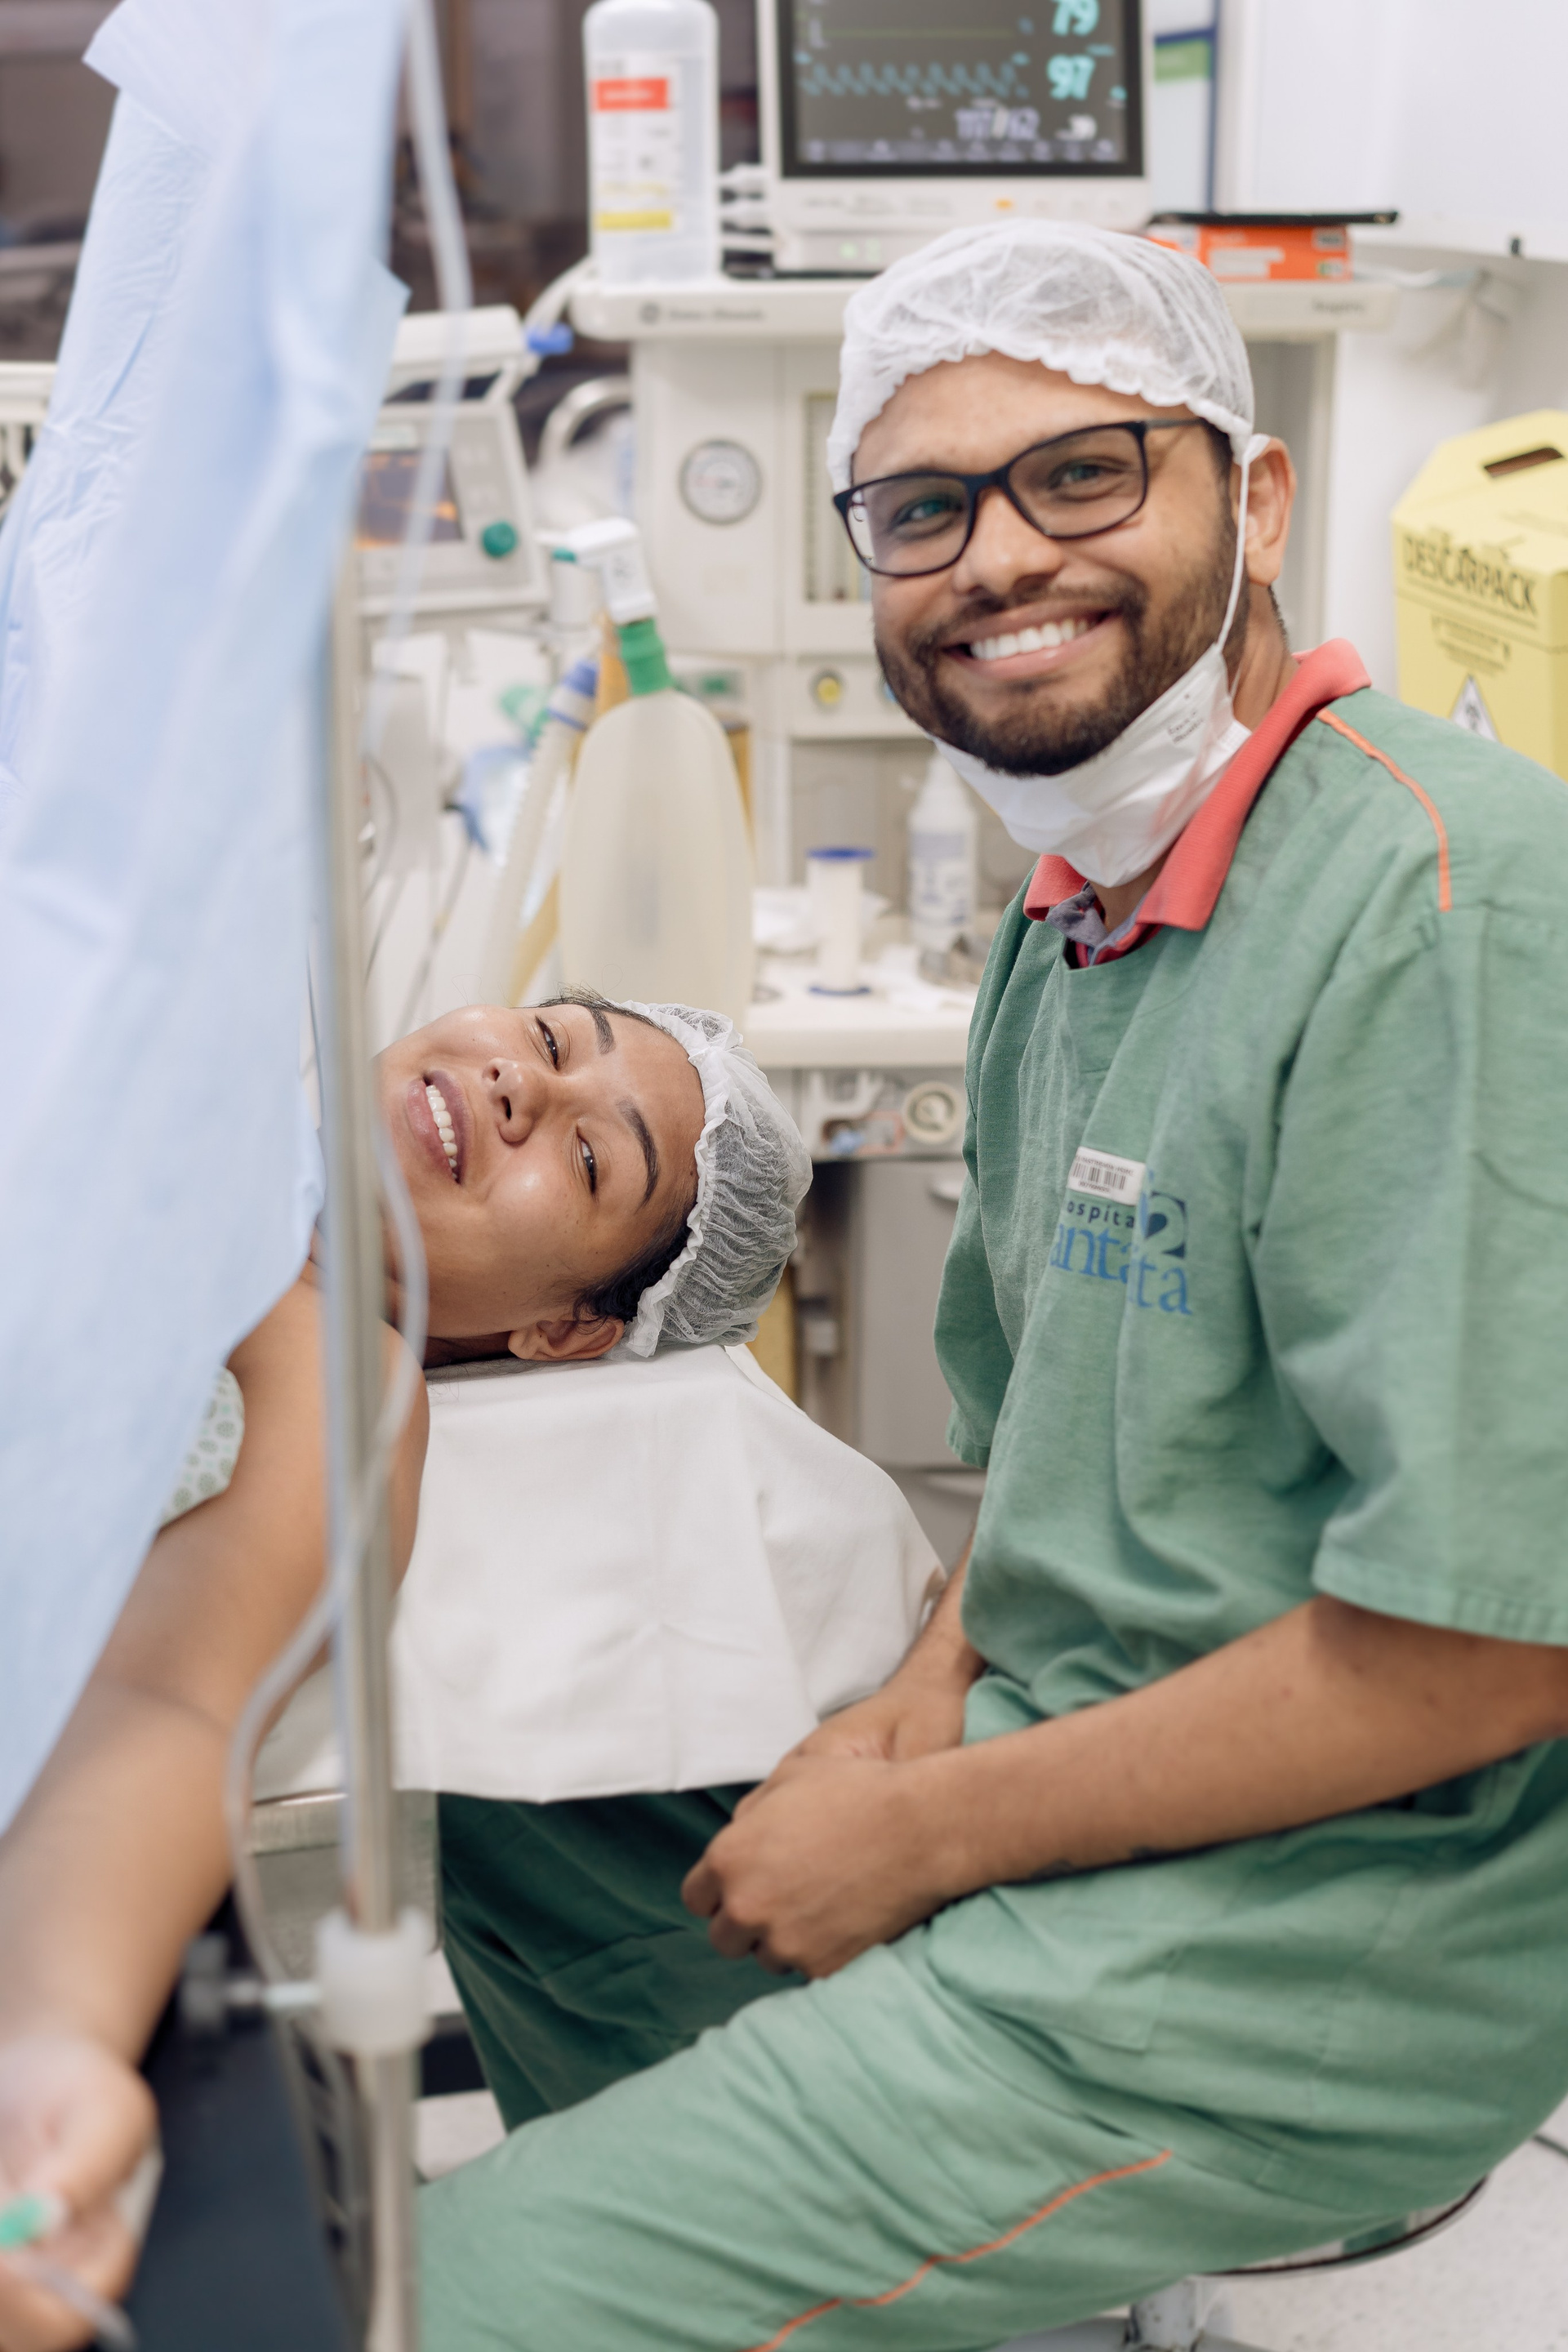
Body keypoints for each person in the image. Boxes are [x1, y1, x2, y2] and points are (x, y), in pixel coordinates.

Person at [413, 221, 1568, 2350]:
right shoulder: (1071, 933)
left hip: (1300, 1949)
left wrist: (924, 1831)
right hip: (1069, 1795)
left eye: (1085, 473)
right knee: (558, 1843)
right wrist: (894, 1721)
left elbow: (1481, 1658)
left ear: (1260, 497)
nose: (1001, 555)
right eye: (926, 508)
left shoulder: (1446, 905)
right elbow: (1047, 1471)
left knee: (442, 2296)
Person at [0, 991, 808, 2352]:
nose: (521, 1088)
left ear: (566, 1331)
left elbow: (173, 1702)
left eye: (590, 1158)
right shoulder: (156, 1080)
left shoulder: (343, 1391)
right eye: (550, 1037)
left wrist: (54, 2035)